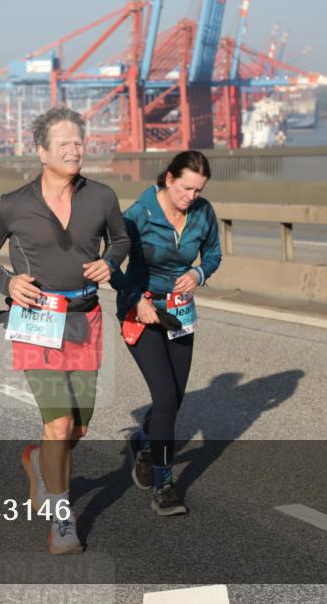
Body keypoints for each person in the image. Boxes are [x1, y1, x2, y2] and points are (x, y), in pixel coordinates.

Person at [0, 107, 129, 554]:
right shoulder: (13, 204)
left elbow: (122, 240)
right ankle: (62, 519)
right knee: (57, 424)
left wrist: (111, 262)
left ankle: (39, 460)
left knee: (77, 428)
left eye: (79, 143)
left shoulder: (101, 196)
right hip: (37, 323)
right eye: (64, 144)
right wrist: (8, 283)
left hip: (86, 320)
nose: (75, 150)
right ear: (42, 152)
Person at [111, 150, 221, 516]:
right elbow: (110, 265)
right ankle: (164, 483)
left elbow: (213, 254)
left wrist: (199, 274)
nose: (191, 196)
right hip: (141, 310)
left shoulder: (203, 212)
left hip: (180, 312)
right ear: (169, 178)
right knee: (163, 394)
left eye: (198, 190)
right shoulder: (138, 215)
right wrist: (134, 298)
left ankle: (143, 442)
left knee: (174, 398)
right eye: (186, 188)